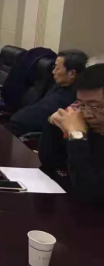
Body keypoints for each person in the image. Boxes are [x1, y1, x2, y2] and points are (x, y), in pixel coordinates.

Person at [38, 64, 104, 203]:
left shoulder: (81, 130)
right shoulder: (89, 126)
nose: (87, 114)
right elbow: (51, 162)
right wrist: (53, 124)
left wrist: (77, 135)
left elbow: (92, 191)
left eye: (96, 106)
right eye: (81, 105)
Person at [5, 50, 88, 137]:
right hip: (15, 124)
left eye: (57, 68)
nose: (53, 72)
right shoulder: (59, 86)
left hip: (23, 133)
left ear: (72, 73)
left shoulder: (72, 98)